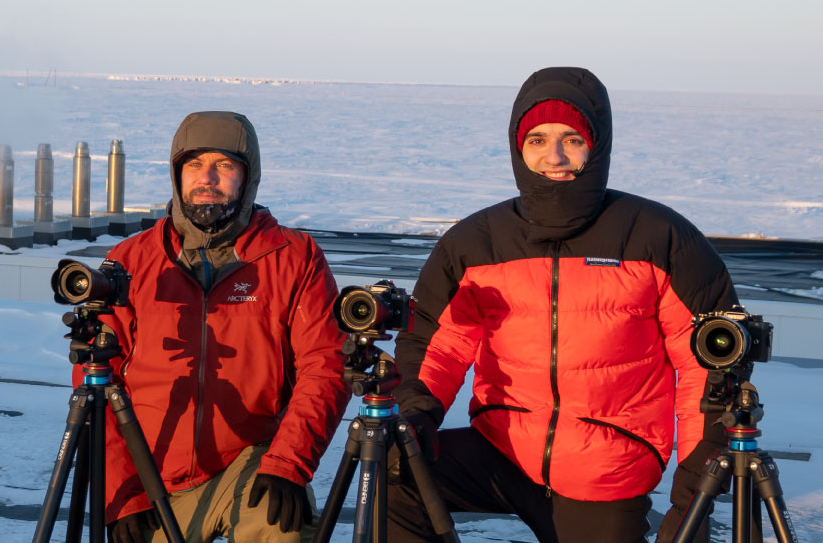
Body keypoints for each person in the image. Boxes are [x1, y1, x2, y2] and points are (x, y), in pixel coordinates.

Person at [386, 67, 738, 543]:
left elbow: (706, 371)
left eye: (571, 138)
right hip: (501, 449)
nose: (553, 156)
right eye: (536, 140)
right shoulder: (476, 242)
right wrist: (417, 413)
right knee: (395, 475)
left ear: (597, 143)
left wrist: (692, 494)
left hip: (606, 472)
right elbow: (438, 341)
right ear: (517, 147)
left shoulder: (660, 238)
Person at [84, 111, 350, 543]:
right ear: (176, 173)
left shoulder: (293, 256)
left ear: (249, 176)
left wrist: (288, 463)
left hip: (249, 464)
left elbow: (325, 366)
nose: (206, 177)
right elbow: (97, 379)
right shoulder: (133, 260)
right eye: (193, 164)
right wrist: (123, 492)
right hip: (151, 480)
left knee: (277, 523)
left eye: (224, 165)